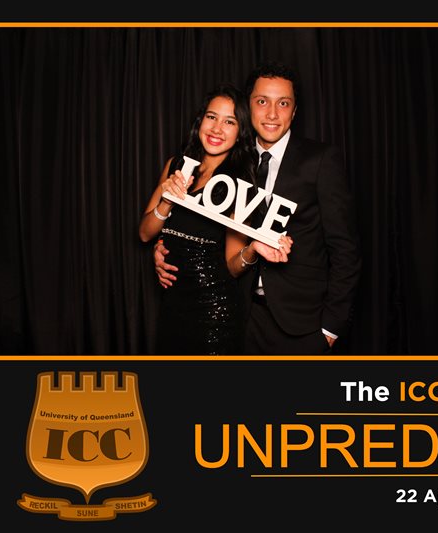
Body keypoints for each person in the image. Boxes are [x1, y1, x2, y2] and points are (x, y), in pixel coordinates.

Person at [155, 62, 362, 355]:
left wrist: (330, 328)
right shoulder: (233, 160)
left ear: (294, 110)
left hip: (301, 325)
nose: (272, 114)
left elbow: (345, 249)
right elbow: (203, 227)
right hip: (240, 317)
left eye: (283, 103)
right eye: (262, 101)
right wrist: (166, 248)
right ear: (247, 107)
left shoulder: (320, 160)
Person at [139, 83, 291, 355]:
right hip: (172, 305)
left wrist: (253, 249)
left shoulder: (240, 185)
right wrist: (167, 199)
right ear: (201, 121)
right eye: (212, 117)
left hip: (214, 311)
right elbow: (145, 233)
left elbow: (232, 266)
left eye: (229, 122)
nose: (217, 129)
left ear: (240, 132)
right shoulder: (176, 165)